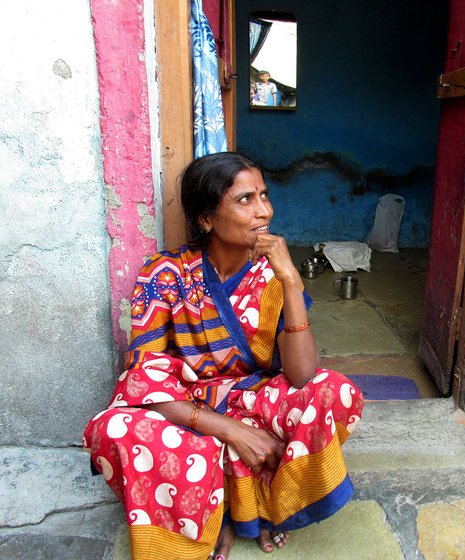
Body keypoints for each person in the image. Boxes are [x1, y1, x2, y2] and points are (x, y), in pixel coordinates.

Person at [83, 152, 364, 560]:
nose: (264, 211)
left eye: (264, 196)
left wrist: (289, 279)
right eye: (245, 200)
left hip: (253, 400)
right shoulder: (166, 274)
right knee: (115, 429)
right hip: (187, 408)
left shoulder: (272, 276)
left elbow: (302, 376)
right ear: (206, 219)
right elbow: (144, 376)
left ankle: (263, 507)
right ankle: (215, 516)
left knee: (334, 392)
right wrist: (230, 430)